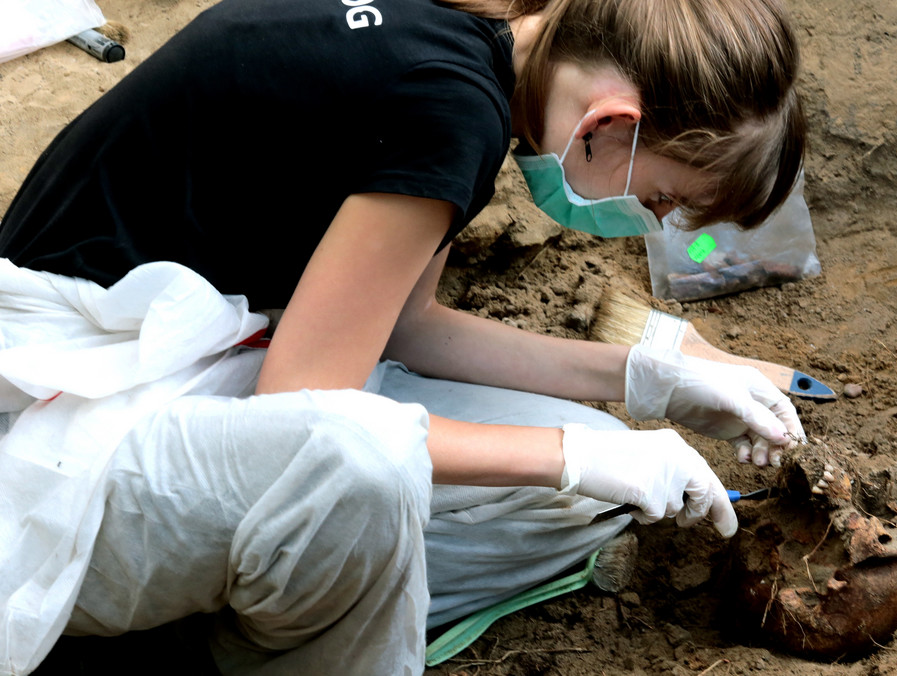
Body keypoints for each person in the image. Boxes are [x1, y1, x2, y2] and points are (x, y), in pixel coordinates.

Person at [0, 0, 807, 673]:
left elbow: (407, 325)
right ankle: (241, 631)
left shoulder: (463, 40)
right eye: (661, 198)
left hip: (180, 353)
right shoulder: (452, 107)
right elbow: (308, 418)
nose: (651, 221)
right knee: (373, 473)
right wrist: (576, 456)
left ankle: (264, 596)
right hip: (52, 425)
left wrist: (647, 377)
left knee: (573, 497)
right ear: (610, 124)